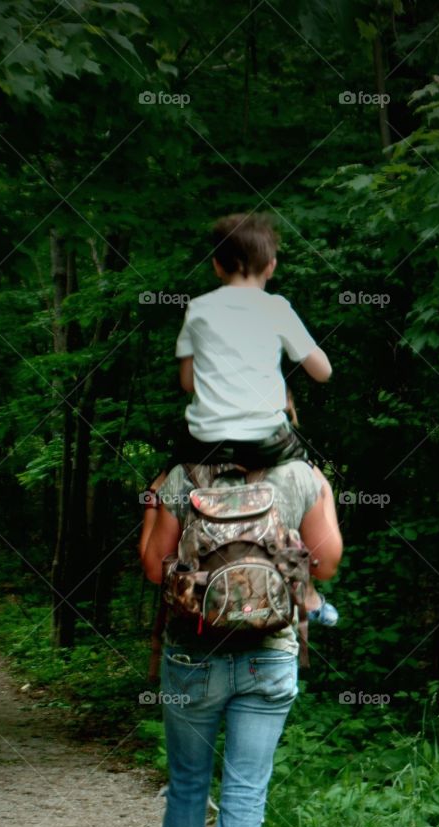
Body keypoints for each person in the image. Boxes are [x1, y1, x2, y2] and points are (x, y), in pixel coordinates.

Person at [140, 455, 343, 827]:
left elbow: (151, 565)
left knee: (187, 787)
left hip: (193, 655)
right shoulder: (301, 475)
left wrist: (155, 502)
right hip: (269, 655)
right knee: (245, 797)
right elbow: (324, 565)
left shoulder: (182, 477)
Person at [166, 210, 339, 625]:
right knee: (315, 479)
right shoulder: (276, 307)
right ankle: (309, 594)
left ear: (216, 265)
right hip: (267, 441)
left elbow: (187, 382)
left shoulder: (198, 308)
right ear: (271, 266)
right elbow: (323, 371)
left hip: (204, 445)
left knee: (165, 484)